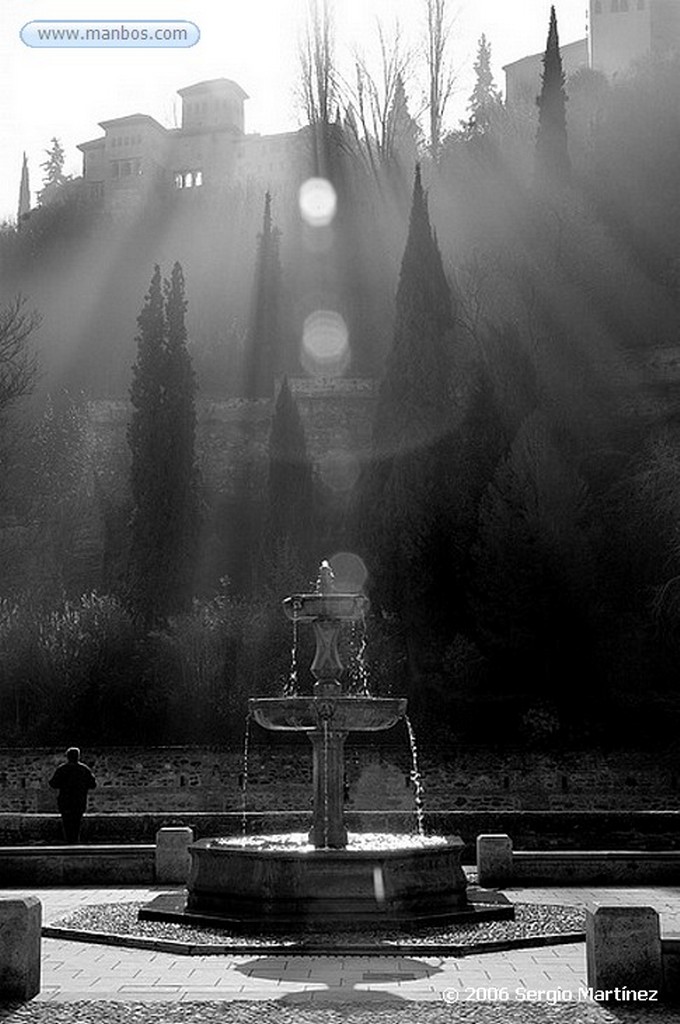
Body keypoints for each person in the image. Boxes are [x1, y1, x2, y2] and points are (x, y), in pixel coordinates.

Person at [49, 747, 97, 844]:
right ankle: (75, 841)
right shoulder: (84, 769)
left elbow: (53, 783)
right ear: (78, 757)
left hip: (65, 801)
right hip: (79, 800)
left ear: (67, 756)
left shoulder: (62, 769)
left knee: (67, 823)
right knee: (77, 822)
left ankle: (68, 841)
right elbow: (93, 784)